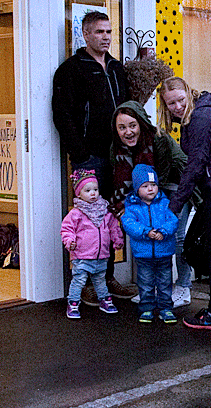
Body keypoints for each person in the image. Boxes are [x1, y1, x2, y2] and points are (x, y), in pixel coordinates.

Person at [52, 11, 131, 300]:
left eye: (109, 31)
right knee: (86, 221)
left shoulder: (117, 68)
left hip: (116, 156)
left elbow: (127, 108)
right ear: (85, 34)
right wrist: (80, 152)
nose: (106, 37)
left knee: (109, 218)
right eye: (99, 32)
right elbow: (62, 114)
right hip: (89, 157)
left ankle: (107, 279)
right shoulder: (71, 69)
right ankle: (84, 283)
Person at [158, 76, 211, 330]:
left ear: (189, 94)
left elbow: (195, 164)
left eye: (180, 100)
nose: (177, 107)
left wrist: (174, 206)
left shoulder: (200, 117)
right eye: (171, 103)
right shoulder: (201, 113)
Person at [109, 101, 192, 307]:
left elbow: (161, 177)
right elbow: (121, 180)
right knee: (148, 237)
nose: (128, 132)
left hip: (176, 185)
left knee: (176, 236)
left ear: (141, 123)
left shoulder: (158, 139)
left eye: (132, 125)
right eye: (122, 127)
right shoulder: (116, 148)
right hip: (148, 191)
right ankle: (151, 289)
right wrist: (128, 206)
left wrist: (143, 204)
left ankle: (183, 287)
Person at [60, 169, 124, 319]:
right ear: (78, 194)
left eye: (95, 189)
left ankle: (104, 299)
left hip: (101, 254)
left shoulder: (105, 211)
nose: (93, 193)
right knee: (79, 280)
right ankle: (73, 302)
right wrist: (70, 241)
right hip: (82, 254)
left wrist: (118, 240)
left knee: (100, 279)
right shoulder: (76, 213)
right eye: (87, 190)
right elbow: (67, 229)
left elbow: (113, 227)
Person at [121, 164, 179, 324]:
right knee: (145, 282)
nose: (150, 189)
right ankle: (146, 308)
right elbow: (129, 224)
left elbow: (173, 221)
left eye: (153, 185)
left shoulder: (165, 203)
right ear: (137, 189)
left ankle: (166, 308)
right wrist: (146, 231)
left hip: (164, 252)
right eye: (145, 186)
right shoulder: (132, 207)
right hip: (143, 254)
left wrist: (163, 231)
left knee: (165, 282)